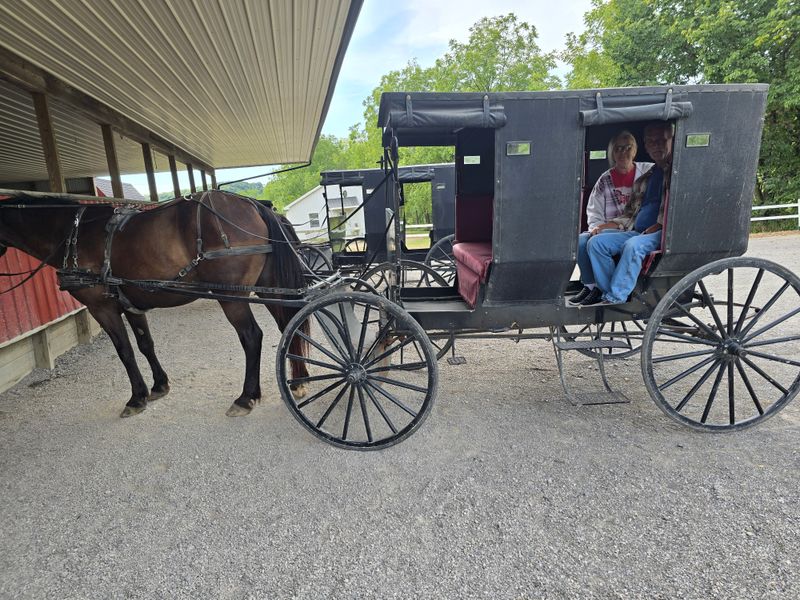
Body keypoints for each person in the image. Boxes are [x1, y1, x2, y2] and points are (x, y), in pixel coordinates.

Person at [583, 121, 675, 305]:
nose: (656, 145)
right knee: (596, 243)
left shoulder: (676, 173)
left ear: (671, 141)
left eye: (661, 140)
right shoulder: (646, 177)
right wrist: (606, 225)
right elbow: (630, 212)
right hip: (637, 230)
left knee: (633, 246)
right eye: (651, 142)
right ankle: (610, 291)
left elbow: (674, 210)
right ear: (646, 147)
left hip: (664, 233)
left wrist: (658, 225)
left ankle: (616, 297)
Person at [571, 131, 653, 305]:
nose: (623, 152)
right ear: (612, 153)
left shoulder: (648, 172)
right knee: (580, 242)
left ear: (635, 150)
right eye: (618, 148)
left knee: (597, 243)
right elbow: (594, 211)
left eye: (627, 147)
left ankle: (608, 291)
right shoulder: (605, 180)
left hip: (635, 228)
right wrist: (596, 228)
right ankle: (592, 286)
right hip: (610, 228)